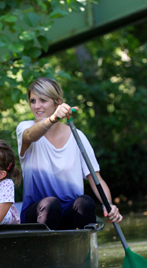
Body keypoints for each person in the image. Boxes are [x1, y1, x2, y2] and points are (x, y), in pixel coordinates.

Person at [16, 77, 122, 230]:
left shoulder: (77, 136)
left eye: (43, 100)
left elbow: (96, 179)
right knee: (51, 204)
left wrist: (109, 205)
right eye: (33, 101)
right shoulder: (24, 128)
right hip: (37, 213)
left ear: (58, 102)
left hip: (68, 212)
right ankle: (47, 250)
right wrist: (53, 118)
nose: (37, 106)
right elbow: (31, 135)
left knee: (85, 202)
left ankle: (81, 249)